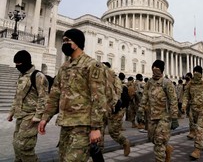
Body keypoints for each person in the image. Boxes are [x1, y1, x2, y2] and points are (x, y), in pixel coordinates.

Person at [38, 28, 111, 162]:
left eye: (67, 40)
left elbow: (98, 98)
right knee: (63, 158)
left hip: (83, 126)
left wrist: (96, 128)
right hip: (65, 125)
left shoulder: (92, 65)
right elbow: (55, 94)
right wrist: (45, 117)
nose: (64, 43)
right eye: (63, 40)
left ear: (77, 42)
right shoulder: (64, 67)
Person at [7, 50, 49, 162]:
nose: (17, 67)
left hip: (31, 117)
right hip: (20, 115)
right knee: (16, 145)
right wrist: (12, 112)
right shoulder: (21, 75)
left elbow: (43, 97)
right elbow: (17, 96)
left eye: (18, 64)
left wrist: (38, 116)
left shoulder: (38, 76)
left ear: (25, 62)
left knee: (25, 148)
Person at [137, 60, 179, 162]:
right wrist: (140, 110)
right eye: (154, 67)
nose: (155, 69)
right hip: (151, 117)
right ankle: (167, 149)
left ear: (162, 70)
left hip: (163, 117)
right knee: (152, 139)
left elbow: (173, 100)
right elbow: (144, 97)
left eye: (158, 68)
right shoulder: (149, 83)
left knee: (159, 141)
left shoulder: (166, 83)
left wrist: (174, 118)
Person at [181, 66, 203, 160]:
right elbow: (186, 95)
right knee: (201, 128)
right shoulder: (190, 84)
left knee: (199, 128)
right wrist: (184, 105)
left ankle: (197, 150)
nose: (196, 73)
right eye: (194, 72)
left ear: (201, 73)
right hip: (194, 110)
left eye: (198, 72)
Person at [99, 64, 131, 156]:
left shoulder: (114, 79)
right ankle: (98, 154)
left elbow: (117, 95)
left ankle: (125, 142)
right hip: (101, 110)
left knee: (113, 132)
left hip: (114, 110)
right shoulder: (99, 78)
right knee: (99, 132)